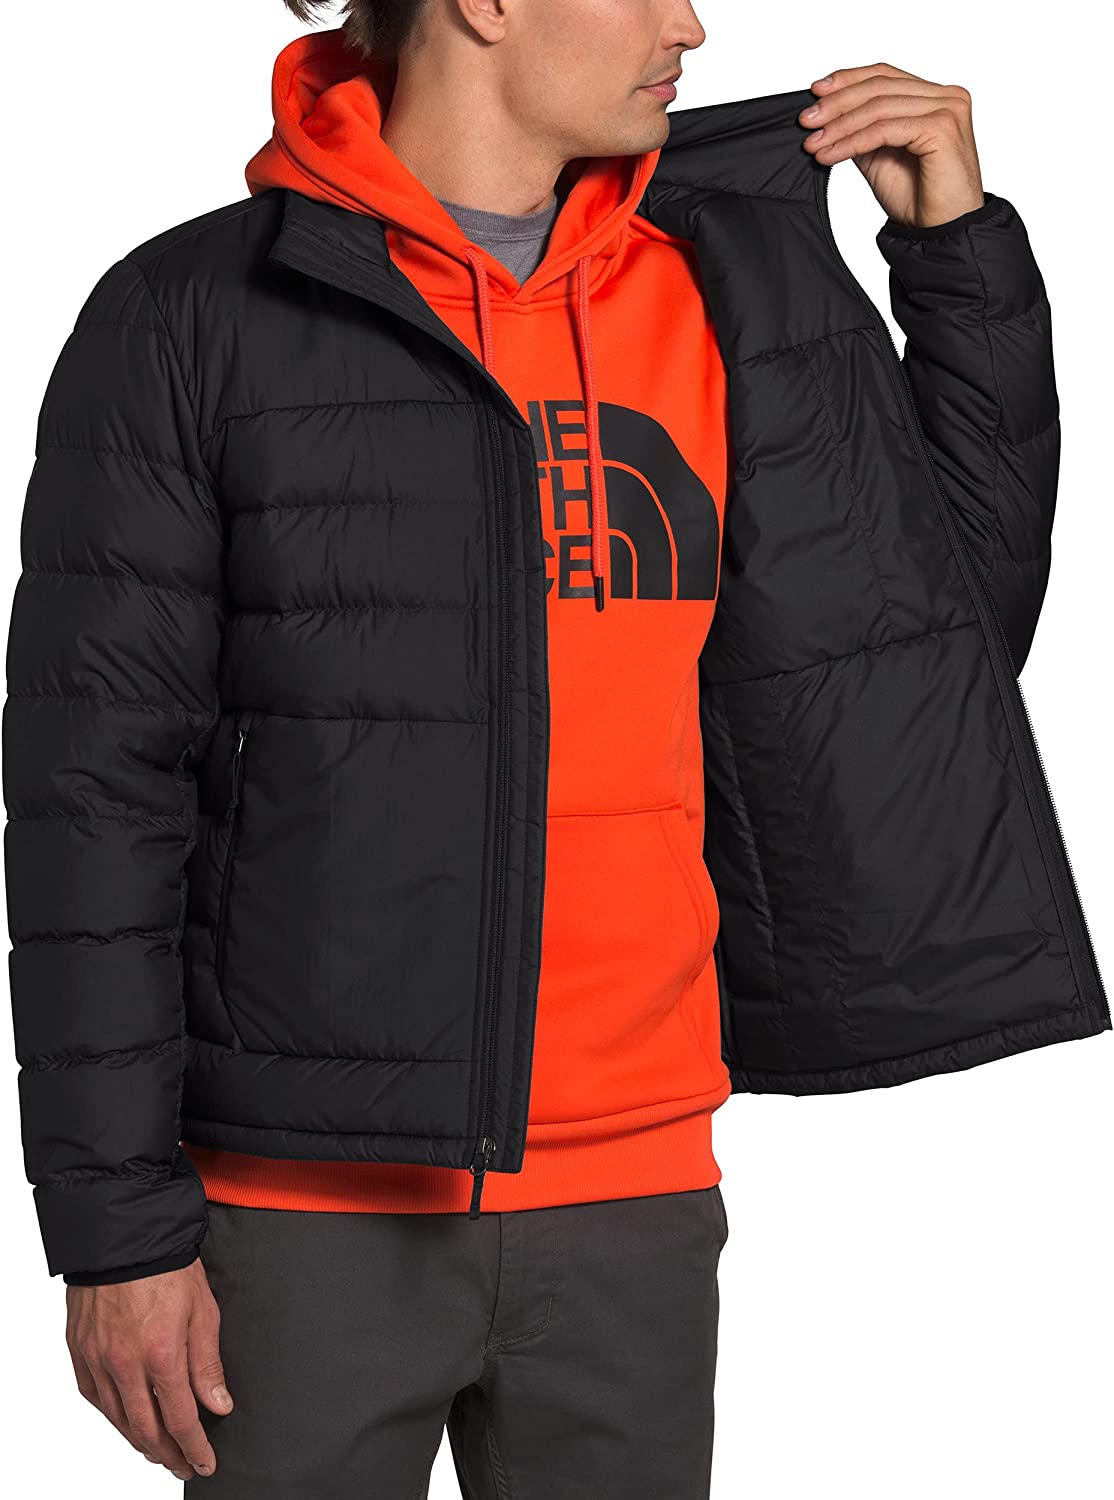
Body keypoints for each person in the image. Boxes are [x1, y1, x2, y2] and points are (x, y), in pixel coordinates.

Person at [4, 1, 1109, 1495]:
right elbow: (90, 804)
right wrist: (114, 1230)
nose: (690, 24)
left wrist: (957, 261)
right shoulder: (191, 314)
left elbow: (924, 655)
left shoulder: (724, 289)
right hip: (302, 1205)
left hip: (639, 1195)